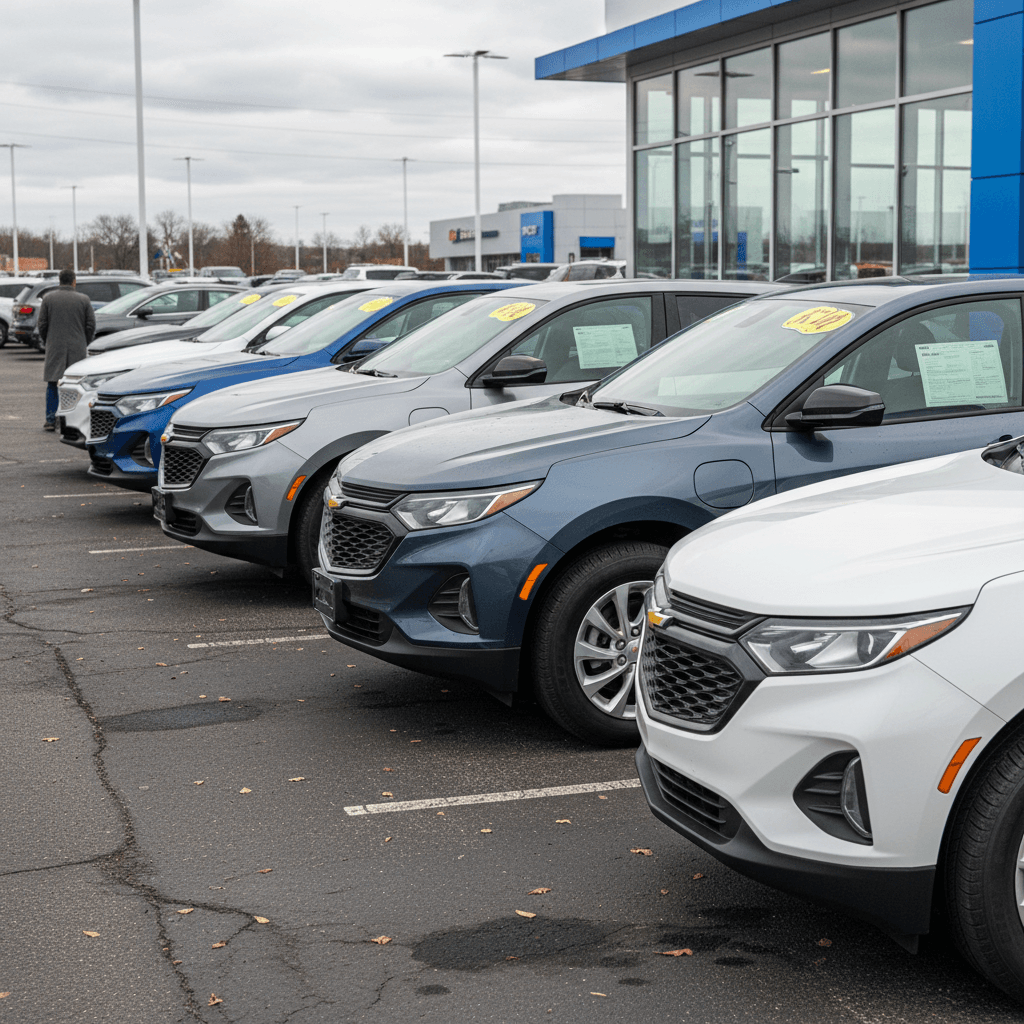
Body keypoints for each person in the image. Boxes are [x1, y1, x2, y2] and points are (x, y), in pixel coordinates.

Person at [39, 269, 95, 431]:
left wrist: (48, 340)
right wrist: (84, 341)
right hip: (77, 347)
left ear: (59, 280)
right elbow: (90, 325)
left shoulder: (48, 299)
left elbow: (42, 324)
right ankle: (72, 419)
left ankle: (50, 420)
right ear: (74, 281)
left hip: (55, 346)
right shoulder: (84, 300)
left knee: (52, 383)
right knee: (75, 384)